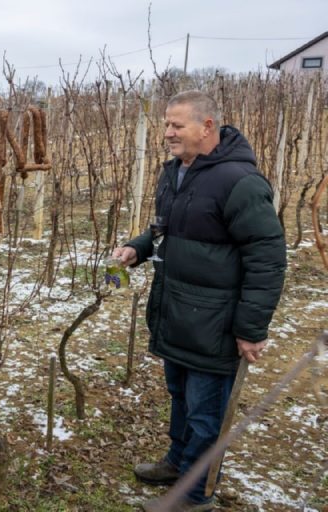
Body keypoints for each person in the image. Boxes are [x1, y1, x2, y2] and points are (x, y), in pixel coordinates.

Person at [113, 90, 286, 511]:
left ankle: (195, 496)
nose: (168, 133)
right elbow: (166, 228)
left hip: (216, 323)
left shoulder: (240, 182)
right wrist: (138, 248)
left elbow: (267, 258)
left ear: (207, 126)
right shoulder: (175, 172)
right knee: (181, 396)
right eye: (166, 125)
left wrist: (251, 329)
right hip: (177, 311)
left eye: (177, 125)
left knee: (207, 413)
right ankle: (178, 461)